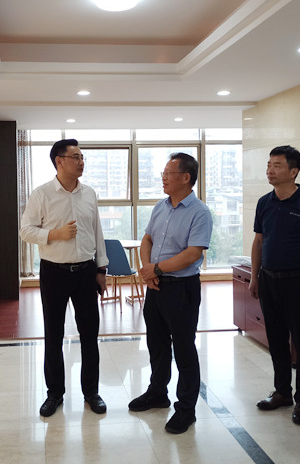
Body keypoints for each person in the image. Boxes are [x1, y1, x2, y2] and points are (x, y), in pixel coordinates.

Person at [19, 139, 108, 417]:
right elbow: (25, 230)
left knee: (89, 335)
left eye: (82, 157)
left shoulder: (89, 193)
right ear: (59, 161)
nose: (81, 162)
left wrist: (101, 270)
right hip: (54, 273)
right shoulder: (42, 194)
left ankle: (91, 392)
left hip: (86, 272)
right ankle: (54, 394)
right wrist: (54, 234)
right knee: (54, 335)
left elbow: (97, 232)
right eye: (76, 157)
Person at [128, 153, 213, 434]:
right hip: (157, 286)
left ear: (186, 178)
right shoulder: (160, 207)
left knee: (184, 348)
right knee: (157, 343)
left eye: (168, 173)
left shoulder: (200, 212)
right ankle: (157, 393)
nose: (163, 178)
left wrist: (157, 269)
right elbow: (147, 239)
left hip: (181, 288)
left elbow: (192, 253)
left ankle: (186, 409)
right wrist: (147, 269)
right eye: (163, 173)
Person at [249, 145, 300, 426]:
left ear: (293, 171)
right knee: (276, 338)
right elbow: (259, 241)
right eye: (268, 165)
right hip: (269, 280)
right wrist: (255, 276)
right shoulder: (265, 202)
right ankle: (282, 391)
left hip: (299, 281)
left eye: (277, 165)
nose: (270, 170)